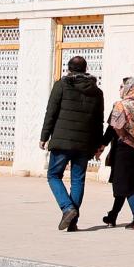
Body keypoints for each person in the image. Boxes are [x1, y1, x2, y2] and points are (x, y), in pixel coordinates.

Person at [39, 55, 104, 232]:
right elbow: (99, 121)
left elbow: (51, 112)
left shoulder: (62, 85)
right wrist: (99, 145)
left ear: (69, 68)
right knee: (77, 180)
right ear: (85, 69)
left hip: (62, 142)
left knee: (53, 175)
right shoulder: (97, 92)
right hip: (84, 144)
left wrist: (44, 136)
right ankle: (72, 222)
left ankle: (68, 209)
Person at [99, 77, 134, 230]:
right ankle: (112, 215)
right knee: (125, 184)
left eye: (123, 86)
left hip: (123, 150)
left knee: (126, 185)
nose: (120, 89)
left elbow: (113, 129)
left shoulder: (120, 106)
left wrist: (101, 145)